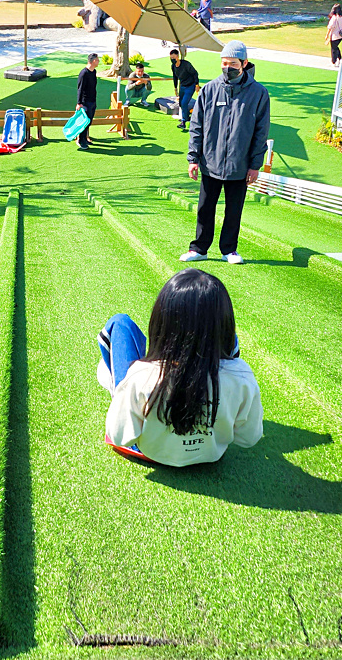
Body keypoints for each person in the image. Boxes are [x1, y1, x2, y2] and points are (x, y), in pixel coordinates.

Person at [98, 268, 262, 467]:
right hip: (210, 453)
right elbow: (248, 438)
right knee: (231, 344)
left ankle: (120, 390)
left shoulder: (141, 376)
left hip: (151, 452)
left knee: (120, 323)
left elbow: (118, 435)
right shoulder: (242, 375)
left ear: (161, 322)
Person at [181, 40, 269, 265]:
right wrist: (193, 158)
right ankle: (199, 248)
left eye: (232, 63)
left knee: (233, 211)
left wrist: (255, 165)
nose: (227, 67)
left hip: (240, 166)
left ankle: (229, 250)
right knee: (204, 208)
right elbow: (197, 126)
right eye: (224, 63)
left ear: (244, 63)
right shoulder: (209, 90)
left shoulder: (259, 94)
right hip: (210, 161)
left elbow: (261, 132)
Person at [169, 49, 199, 131]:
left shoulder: (186, 64)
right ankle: (186, 117)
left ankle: (183, 122)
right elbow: (175, 77)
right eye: (171, 58)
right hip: (182, 86)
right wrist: (175, 88)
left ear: (177, 57)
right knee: (181, 104)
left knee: (184, 102)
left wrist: (196, 84)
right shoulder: (173, 67)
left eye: (173, 58)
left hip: (190, 85)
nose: (172, 60)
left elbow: (195, 73)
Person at [75, 53, 100, 150]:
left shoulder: (93, 72)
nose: (98, 61)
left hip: (92, 100)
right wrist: (79, 103)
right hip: (85, 102)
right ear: (93, 61)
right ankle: (80, 140)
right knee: (85, 122)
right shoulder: (83, 73)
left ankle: (85, 138)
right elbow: (80, 89)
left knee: (89, 121)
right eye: (97, 60)